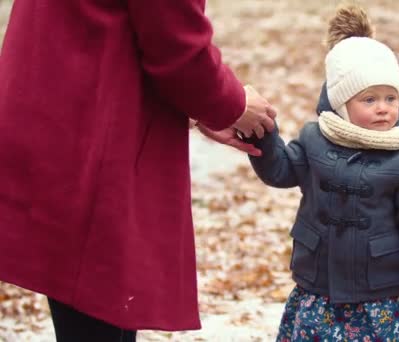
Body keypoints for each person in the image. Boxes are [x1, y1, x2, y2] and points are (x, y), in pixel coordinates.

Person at [0, 0, 275, 341]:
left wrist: (202, 110)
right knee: (96, 309)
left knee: (92, 311)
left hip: (55, 112)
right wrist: (232, 104)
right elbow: (177, 47)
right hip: (90, 142)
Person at [247, 4, 399, 341]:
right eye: (369, 100)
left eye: (390, 97)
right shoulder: (315, 138)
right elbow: (281, 171)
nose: (383, 107)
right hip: (319, 288)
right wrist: (264, 136)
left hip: (379, 295)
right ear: (341, 102)